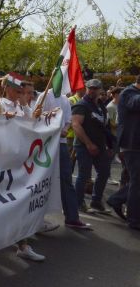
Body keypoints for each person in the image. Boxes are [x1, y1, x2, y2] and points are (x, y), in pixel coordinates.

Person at [0, 72, 46, 261]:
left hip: (21, 161)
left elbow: (32, 125)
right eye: (17, 90)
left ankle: (23, 244)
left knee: (20, 203)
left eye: (22, 91)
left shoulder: (20, 106)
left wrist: (42, 116)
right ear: (7, 89)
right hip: (6, 161)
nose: (21, 93)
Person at [35, 89, 91, 230]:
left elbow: (67, 119)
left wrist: (65, 129)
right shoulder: (44, 95)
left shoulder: (65, 99)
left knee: (66, 179)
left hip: (61, 144)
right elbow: (36, 116)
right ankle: (35, 219)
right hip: (45, 144)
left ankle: (72, 217)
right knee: (39, 181)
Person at [71, 79, 114, 213]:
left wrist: (109, 145)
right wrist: (89, 144)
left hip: (100, 146)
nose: (92, 90)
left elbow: (104, 127)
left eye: (95, 88)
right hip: (84, 146)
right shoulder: (81, 105)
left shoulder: (101, 107)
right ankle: (78, 203)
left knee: (104, 172)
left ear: (101, 90)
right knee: (84, 175)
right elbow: (76, 125)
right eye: (90, 88)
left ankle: (96, 202)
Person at [108, 75, 140, 230]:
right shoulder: (129, 93)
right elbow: (135, 103)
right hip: (132, 145)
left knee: (137, 181)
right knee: (137, 181)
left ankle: (117, 198)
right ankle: (134, 219)